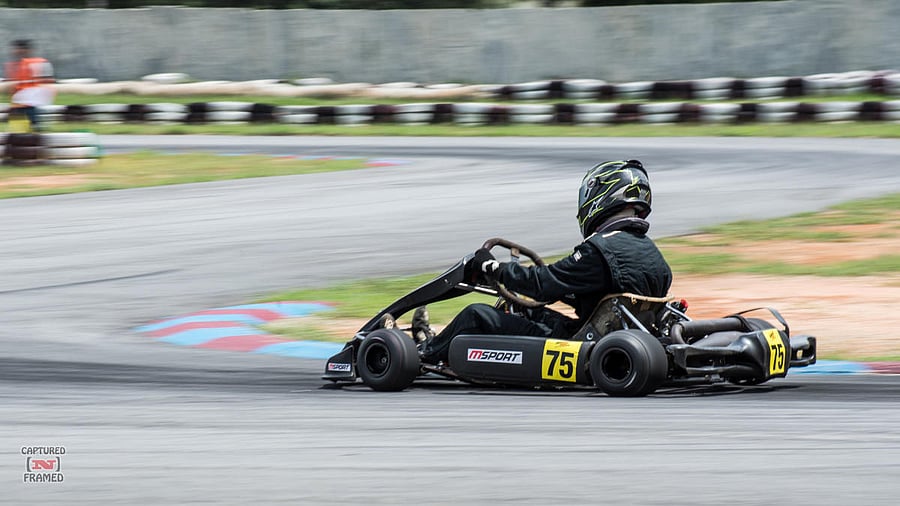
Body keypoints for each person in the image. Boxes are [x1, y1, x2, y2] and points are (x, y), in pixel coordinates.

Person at [417, 159, 672, 365]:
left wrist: (492, 268)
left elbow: (543, 283)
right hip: (610, 337)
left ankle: (423, 353)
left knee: (476, 314)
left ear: (601, 195)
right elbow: (598, 290)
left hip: (581, 344)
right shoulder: (650, 252)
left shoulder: (599, 250)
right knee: (522, 307)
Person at [4, 39, 55, 132]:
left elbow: (47, 79)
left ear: (27, 50)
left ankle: (35, 128)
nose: (16, 51)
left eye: (20, 49)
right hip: (19, 98)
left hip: (31, 97)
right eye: (16, 49)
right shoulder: (12, 65)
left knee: (29, 114)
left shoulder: (37, 62)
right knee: (17, 124)